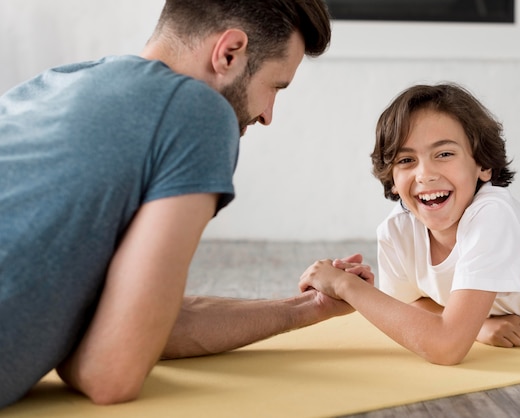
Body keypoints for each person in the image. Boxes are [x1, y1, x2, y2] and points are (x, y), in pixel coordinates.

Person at [0, 0, 374, 408]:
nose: (268, 115)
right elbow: (109, 373)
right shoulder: (199, 110)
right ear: (229, 53)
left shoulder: (53, 85)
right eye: (274, 86)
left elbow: (147, 324)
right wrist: (79, 346)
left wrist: (308, 308)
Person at [299, 83, 520, 366]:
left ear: (482, 165)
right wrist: (481, 325)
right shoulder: (396, 230)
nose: (425, 174)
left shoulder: (492, 215)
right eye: (406, 160)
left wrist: (347, 287)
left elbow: (446, 347)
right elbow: (411, 304)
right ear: (393, 179)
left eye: (443, 154)